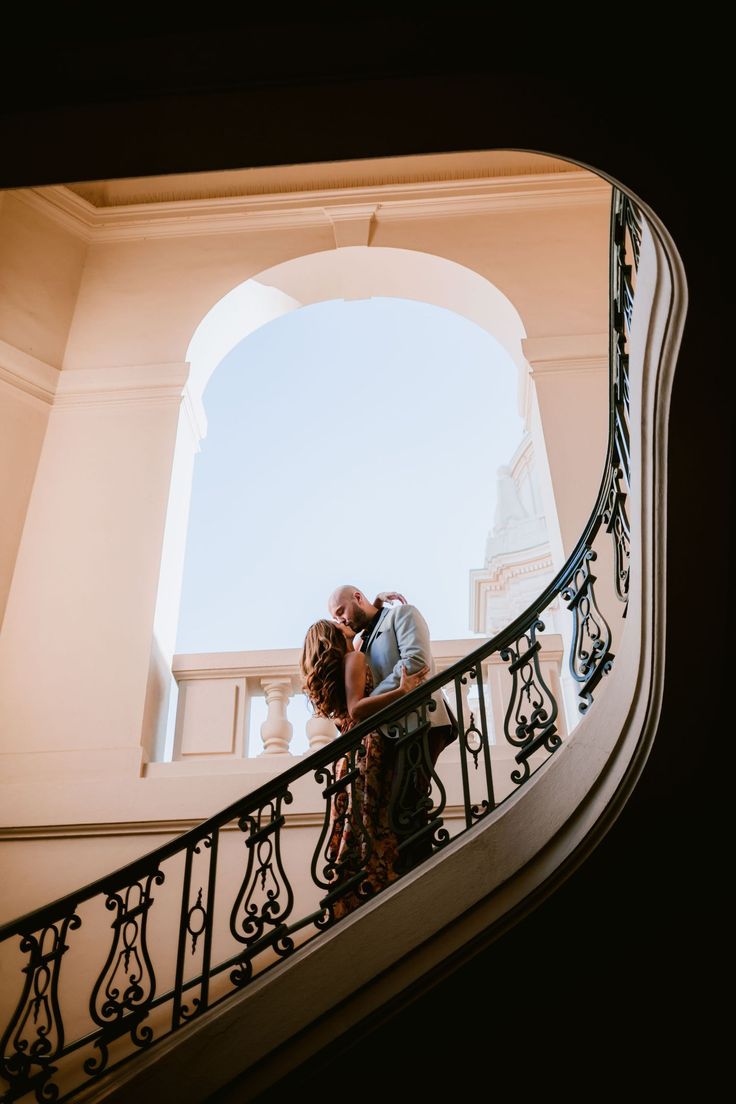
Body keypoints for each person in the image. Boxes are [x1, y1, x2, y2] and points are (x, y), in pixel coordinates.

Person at [300, 615, 429, 919]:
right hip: (367, 745)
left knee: (357, 818)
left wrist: (379, 603)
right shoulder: (355, 659)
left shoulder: (348, 659)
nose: (342, 619)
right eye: (336, 620)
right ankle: (373, 880)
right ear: (335, 634)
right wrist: (401, 691)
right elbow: (357, 708)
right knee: (371, 813)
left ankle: (359, 888)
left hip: (348, 753)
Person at [327, 586, 458, 872]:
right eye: (336, 619)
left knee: (409, 802)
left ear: (357, 597)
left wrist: (368, 702)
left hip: (421, 720)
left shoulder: (402, 614)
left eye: (341, 612)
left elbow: (416, 662)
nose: (342, 621)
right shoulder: (360, 644)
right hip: (391, 732)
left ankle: (421, 877)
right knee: (394, 811)